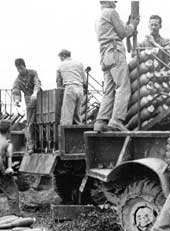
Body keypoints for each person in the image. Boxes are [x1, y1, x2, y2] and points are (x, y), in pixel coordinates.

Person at [94, 0, 139, 132]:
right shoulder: (111, 12)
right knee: (123, 87)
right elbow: (123, 32)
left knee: (109, 90)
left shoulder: (99, 16)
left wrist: (128, 25)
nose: (116, 2)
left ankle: (101, 121)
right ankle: (116, 120)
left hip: (105, 55)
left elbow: (116, 30)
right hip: (115, 52)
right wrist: (133, 24)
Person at [12, 58, 42, 153]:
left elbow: (37, 83)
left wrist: (35, 93)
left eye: (21, 68)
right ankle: (30, 146)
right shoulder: (18, 80)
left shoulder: (33, 73)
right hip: (29, 101)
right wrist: (17, 100)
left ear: (24, 66)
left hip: (40, 98)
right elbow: (15, 90)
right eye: (18, 69)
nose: (20, 70)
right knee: (30, 123)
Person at [56, 49, 87, 125]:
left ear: (63, 55)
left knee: (67, 114)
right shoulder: (79, 63)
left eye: (60, 57)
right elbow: (84, 80)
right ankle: (78, 131)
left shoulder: (61, 65)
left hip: (70, 88)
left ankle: (65, 134)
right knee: (77, 114)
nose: (60, 59)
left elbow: (58, 81)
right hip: (80, 89)